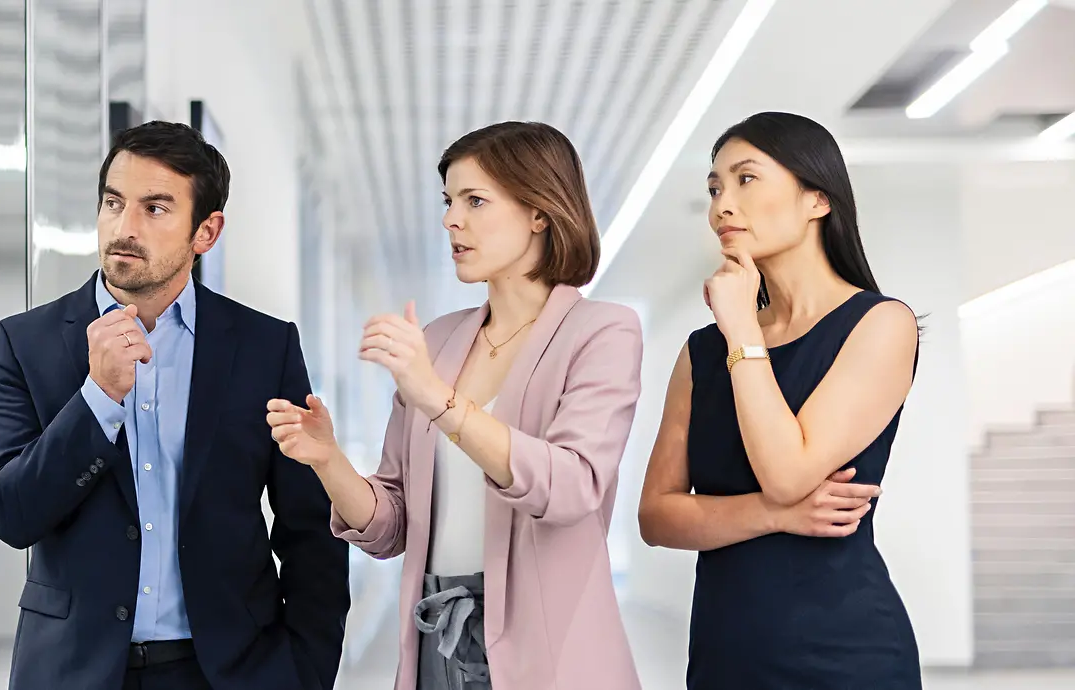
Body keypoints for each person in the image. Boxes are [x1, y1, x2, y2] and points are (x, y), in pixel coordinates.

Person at [268, 121, 644, 690]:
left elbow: (572, 486)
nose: (451, 220)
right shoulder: (440, 340)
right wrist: (328, 459)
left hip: (547, 648)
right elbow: (391, 526)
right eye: (448, 201)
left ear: (539, 212)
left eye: (475, 200)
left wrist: (437, 399)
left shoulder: (602, 331)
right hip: (435, 638)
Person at [0, 120, 351, 690]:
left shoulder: (264, 347)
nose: (124, 228)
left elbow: (311, 529)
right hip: (72, 672)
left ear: (206, 231)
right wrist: (98, 398)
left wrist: (303, 672)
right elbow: (10, 515)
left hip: (228, 672)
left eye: (154, 209)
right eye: (113, 203)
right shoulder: (24, 342)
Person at [636, 111, 921, 688]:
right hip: (725, 654)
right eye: (714, 188)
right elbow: (656, 516)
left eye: (745, 179)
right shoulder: (702, 352)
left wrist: (742, 327)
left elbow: (788, 473)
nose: (722, 206)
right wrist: (774, 516)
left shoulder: (881, 323)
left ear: (817, 199)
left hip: (846, 655)